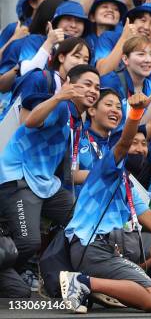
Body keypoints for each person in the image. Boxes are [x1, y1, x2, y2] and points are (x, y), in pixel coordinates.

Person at [61, 83, 151, 313]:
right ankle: (84, 283)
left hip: (111, 245)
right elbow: (124, 142)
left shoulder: (126, 182)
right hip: (92, 246)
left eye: (144, 144)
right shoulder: (106, 166)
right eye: (134, 143)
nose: (140, 149)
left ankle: (109, 286)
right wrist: (134, 114)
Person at [0, 65, 100, 275]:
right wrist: (58, 97)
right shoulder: (61, 107)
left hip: (47, 185)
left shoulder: (78, 120)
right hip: (19, 179)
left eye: (97, 87)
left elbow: (71, 172)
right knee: (28, 242)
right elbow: (31, 121)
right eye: (87, 84)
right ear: (69, 85)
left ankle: (53, 272)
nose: (93, 91)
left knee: (82, 222)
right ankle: (12, 275)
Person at [12, 37, 92, 122]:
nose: (81, 63)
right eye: (77, 56)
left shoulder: (77, 91)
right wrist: (59, 97)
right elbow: (24, 122)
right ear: (61, 57)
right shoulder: (39, 78)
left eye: (86, 60)